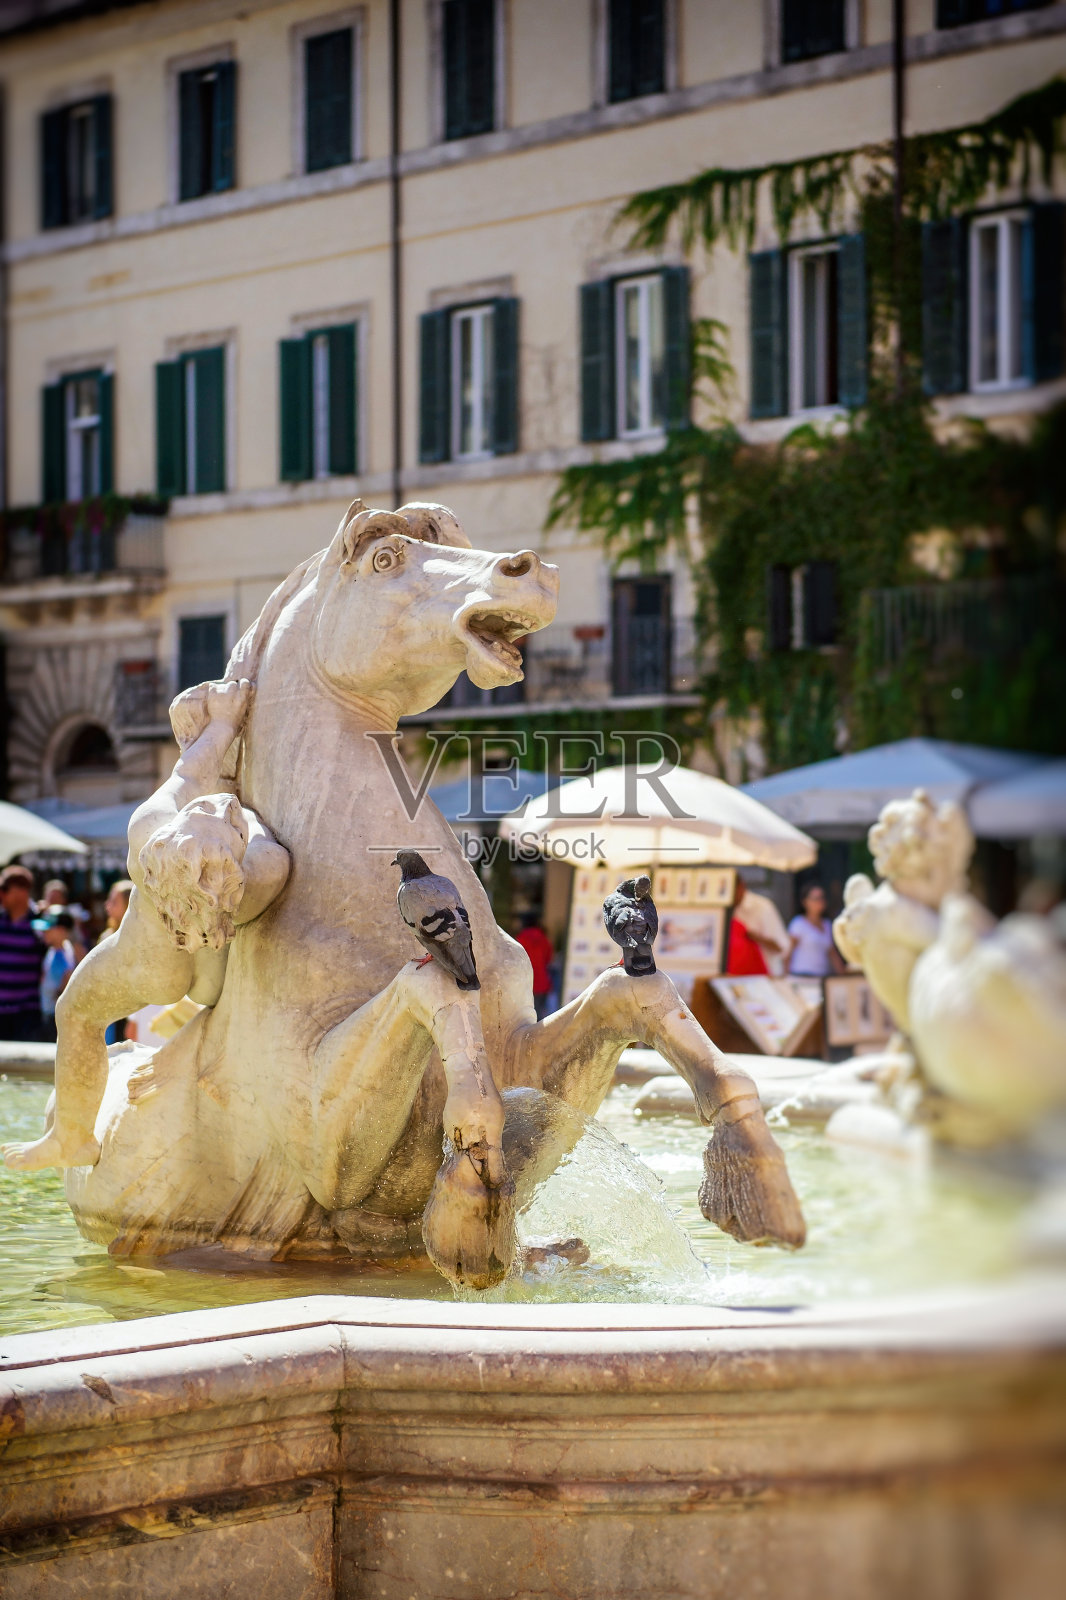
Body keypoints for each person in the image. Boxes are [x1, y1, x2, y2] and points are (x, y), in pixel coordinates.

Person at [2, 678, 289, 1173]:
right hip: (218, 977)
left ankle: (72, 1137)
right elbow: (264, 834)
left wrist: (222, 723)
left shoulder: (148, 829)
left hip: (150, 960)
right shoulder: (263, 870)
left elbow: (188, 773)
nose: (216, 803)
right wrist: (247, 818)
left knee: (76, 1013)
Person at [0, 866, 44, 1042]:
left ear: (22, 892)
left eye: (5, 890)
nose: (1, 895)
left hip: (26, 1016)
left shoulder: (40, 923)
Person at [730, 877, 791, 976]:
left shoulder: (763, 907)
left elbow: (783, 947)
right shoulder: (726, 909)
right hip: (735, 976)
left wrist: (757, 938)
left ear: (741, 887)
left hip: (764, 977)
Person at [37, 910, 78, 1043]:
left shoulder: (65, 953)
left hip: (56, 1018)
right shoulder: (53, 950)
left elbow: (67, 980)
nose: (44, 932)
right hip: (49, 1014)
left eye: (48, 929)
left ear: (61, 930)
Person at [101, 881, 134, 1045]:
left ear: (128, 905)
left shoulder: (136, 937)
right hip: (110, 1009)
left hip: (131, 1009)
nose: (107, 905)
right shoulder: (107, 936)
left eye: (114, 901)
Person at [787, 883, 844, 978]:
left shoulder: (827, 924)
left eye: (822, 898)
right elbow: (788, 952)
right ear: (805, 902)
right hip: (801, 977)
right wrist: (785, 977)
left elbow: (832, 953)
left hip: (822, 977)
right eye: (816, 898)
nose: (820, 901)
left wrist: (843, 975)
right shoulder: (798, 924)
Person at [515, 911, 554, 1020]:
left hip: (526, 984)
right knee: (539, 1018)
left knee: (525, 1019)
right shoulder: (544, 939)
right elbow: (548, 960)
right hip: (542, 984)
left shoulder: (520, 939)